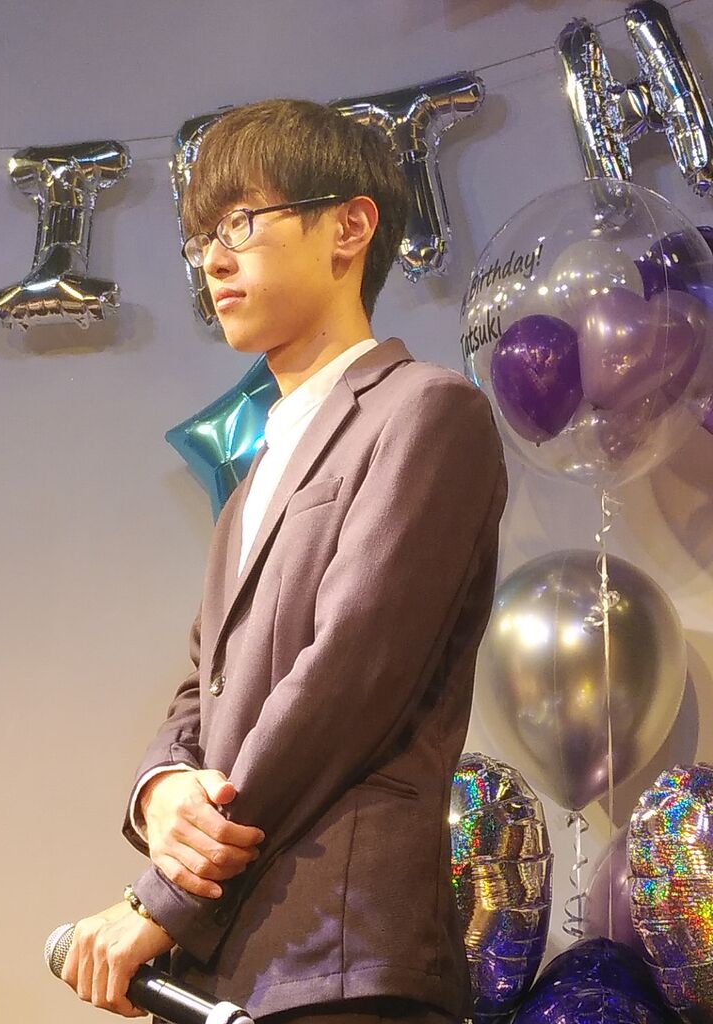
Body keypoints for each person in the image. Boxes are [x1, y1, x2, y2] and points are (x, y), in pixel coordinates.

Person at [61, 98, 508, 1024]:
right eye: (201, 240)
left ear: (349, 226)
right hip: (233, 967)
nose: (213, 261)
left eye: (241, 223)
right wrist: (161, 790)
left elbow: (350, 675)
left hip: (345, 959)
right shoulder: (258, 468)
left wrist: (162, 899)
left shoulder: (426, 411)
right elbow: (203, 685)